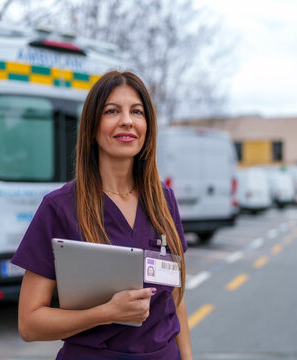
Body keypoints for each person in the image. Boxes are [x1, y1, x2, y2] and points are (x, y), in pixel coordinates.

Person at [11, 70, 192, 360]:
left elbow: (174, 299)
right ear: (93, 127)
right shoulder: (60, 208)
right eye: (112, 111)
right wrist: (105, 313)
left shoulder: (164, 200)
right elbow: (29, 324)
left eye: (137, 111)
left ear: (148, 126)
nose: (127, 121)